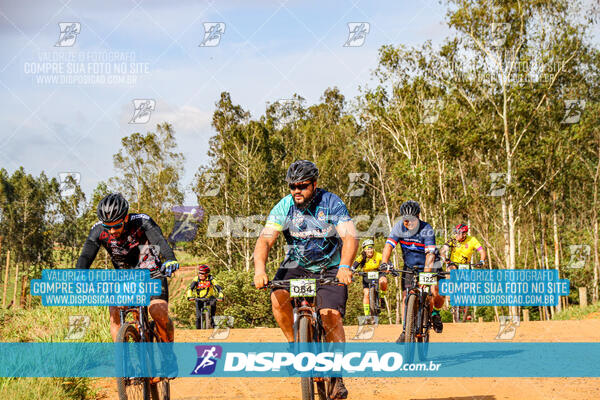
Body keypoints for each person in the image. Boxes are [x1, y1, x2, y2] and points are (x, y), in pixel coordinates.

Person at [253, 160, 357, 400]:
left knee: (330, 315)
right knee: (278, 295)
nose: (297, 191)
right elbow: (265, 240)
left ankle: (337, 376)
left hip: (331, 267)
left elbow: (350, 237)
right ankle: (293, 344)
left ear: (314, 184)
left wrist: (344, 266)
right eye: (293, 186)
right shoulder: (285, 206)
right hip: (297, 265)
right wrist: (260, 269)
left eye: (302, 186)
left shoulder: (331, 202)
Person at [76, 193, 179, 375]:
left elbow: (159, 241)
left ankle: (168, 356)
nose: (113, 231)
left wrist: (169, 259)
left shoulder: (142, 221)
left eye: (116, 225)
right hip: (125, 276)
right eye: (108, 227)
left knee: (157, 311)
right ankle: (125, 364)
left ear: (125, 217)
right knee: (115, 312)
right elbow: (86, 255)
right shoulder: (99, 230)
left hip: (152, 272)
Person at [380, 200, 444, 343]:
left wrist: (426, 277)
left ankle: (435, 313)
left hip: (430, 264)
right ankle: (405, 330)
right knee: (405, 297)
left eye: (412, 220)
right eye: (405, 220)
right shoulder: (399, 227)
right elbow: (388, 246)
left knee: (436, 293)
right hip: (410, 266)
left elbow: (430, 255)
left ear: (418, 216)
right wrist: (385, 263)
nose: (408, 223)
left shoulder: (426, 229)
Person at [352, 239, 387, 316]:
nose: (370, 250)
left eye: (371, 248)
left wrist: (389, 266)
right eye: (368, 248)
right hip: (366, 275)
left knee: (383, 281)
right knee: (366, 293)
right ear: (364, 250)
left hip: (378, 273)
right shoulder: (362, 256)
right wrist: (352, 270)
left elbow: (385, 260)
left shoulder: (377, 255)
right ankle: (367, 315)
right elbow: (355, 265)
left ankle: (382, 296)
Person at [186, 264, 224, 328]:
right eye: (199, 273)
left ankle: (212, 320)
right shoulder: (196, 279)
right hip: (199, 299)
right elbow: (190, 288)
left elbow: (219, 288)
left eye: (202, 273)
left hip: (210, 298)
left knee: (213, 304)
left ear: (206, 274)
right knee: (198, 317)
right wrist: (189, 296)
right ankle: (198, 331)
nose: (200, 275)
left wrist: (221, 296)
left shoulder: (211, 279)